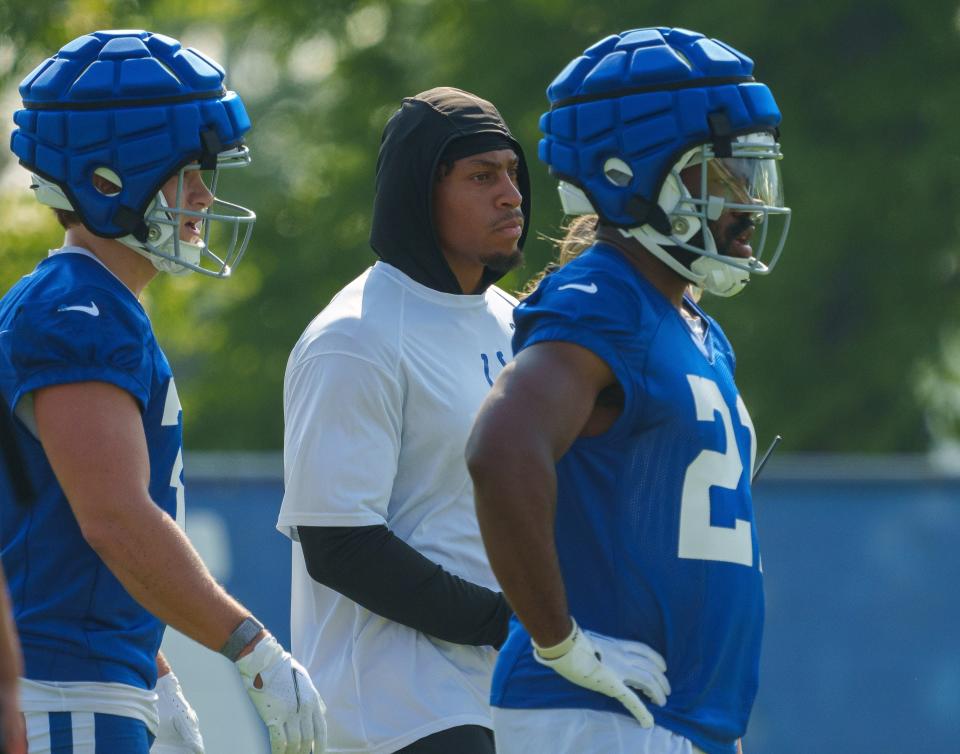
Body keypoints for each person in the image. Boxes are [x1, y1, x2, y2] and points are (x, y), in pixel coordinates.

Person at [466, 27, 791, 754]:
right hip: (596, 716)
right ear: (632, 174)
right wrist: (559, 642)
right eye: (725, 176)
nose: (749, 204)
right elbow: (501, 449)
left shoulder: (688, 321)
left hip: (669, 717)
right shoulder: (602, 295)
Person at [0, 30, 326, 754]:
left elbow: (56, 535)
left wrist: (155, 666)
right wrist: (251, 648)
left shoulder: (88, 301)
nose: (206, 197)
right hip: (62, 693)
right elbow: (112, 518)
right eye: (186, 174)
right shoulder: (75, 309)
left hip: (81, 684)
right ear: (111, 177)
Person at [276, 87, 530, 754]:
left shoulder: (521, 327)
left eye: (512, 171)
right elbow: (341, 545)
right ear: (421, 192)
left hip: (510, 702)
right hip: (395, 716)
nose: (511, 194)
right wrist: (516, 622)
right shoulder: (353, 337)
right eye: (482, 176)